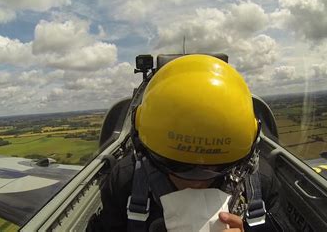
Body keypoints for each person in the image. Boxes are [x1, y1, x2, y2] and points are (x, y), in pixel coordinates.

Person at [88, 54, 293, 231]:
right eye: (176, 165)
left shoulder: (260, 183)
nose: (196, 181)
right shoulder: (126, 180)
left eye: (217, 167)